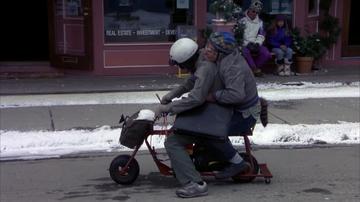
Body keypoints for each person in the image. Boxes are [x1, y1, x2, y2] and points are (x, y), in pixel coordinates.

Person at [154, 37, 244, 198]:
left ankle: (194, 183)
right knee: (181, 122)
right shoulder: (202, 57)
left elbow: (196, 98)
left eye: (180, 65)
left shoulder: (205, 68)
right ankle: (192, 163)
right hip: (214, 109)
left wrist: (168, 108)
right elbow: (191, 81)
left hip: (216, 112)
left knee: (173, 141)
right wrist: (172, 95)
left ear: (187, 61)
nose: (181, 68)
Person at [205, 32, 261, 179]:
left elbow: (236, 95)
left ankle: (237, 163)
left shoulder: (231, 67)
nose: (206, 50)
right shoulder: (225, 59)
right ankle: (218, 156)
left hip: (244, 115)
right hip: (237, 109)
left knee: (210, 132)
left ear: (220, 52)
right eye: (207, 46)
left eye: (210, 49)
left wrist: (214, 96)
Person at [238, 0, 271, 77]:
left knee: (266, 53)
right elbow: (238, 36)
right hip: (245, 44)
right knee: (245, 52)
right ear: (249, 10)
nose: (254, 14)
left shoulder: (260, 22)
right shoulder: (241, 21)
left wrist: (257, 43)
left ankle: (253, 69)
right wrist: (246, 44)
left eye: (257, 12)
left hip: (255, 44)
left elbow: (261, 35)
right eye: (253, 11)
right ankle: (255, 69)